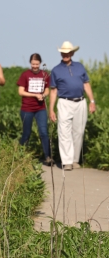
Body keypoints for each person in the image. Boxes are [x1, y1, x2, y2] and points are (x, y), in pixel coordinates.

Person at [49, 41, 97, 171]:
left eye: (68, 52)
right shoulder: (55, 70)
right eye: (63, 52)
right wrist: (51, 109)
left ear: (72, 53)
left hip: (80, 102)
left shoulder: (80, 67)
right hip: (64, 102)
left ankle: (75, 159)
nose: (66, 54)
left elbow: (86, 84)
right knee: (64, 132)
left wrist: (92, 101)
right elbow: (53, 91)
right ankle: (67, 161)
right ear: (61, 53)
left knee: (79, 131)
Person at [17, 53, 52, 165]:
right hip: (27, 108)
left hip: (40, 108)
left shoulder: (44, 74)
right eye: (33, 64)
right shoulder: (25, 75)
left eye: (37, 64)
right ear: (30, 63)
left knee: (43, 132)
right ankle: (20, 156)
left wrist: (44, 95)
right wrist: (35, 95)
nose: (35, 66)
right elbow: (21, 91)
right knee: (26, 133)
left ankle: (48, 156)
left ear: (40, 63)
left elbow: (47, 89)